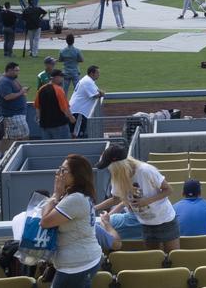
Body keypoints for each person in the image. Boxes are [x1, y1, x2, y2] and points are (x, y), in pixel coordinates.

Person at [95, 145, 179, 251]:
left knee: (172, 255)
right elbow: (116, 199)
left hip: (165, 219)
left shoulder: (145, 170)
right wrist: (94, 208)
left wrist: (146, 201)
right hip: (145, 222)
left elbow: (168, 190)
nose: (108, 170)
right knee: (154, 257)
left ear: (117, 166)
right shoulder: (118, 177)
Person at [39, 154, 103, 288]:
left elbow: (44, 222)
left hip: (77, 264)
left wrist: (56, 194)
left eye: (63, 170)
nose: (58, 173)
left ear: (76, 175)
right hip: (81, 260)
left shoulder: (75, 199)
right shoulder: (75, 196)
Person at [0, 62, 31, 143]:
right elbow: (7, 96)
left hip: (17, 114)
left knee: (21, 136)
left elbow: (17, 91)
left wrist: (23, 91)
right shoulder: (4, 82)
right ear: (9, 70)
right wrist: (21, 92)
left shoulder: (12, 79)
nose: (18, 72)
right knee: (19, 137)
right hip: (12, 115)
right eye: (16, 70)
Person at [36, 69, 74, 140]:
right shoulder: (59, 90)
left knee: (48, 146)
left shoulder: (41, 89)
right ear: (55, 77)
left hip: (45, 125)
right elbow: (65, 108)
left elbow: (37, 107)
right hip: (59, 125)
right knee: (63, 145)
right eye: (61, 77)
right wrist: (71, 118)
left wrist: (39, 119)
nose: (62, 79)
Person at [69, 66, 105, 138]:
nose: (99, 74)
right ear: (92, 73)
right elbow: (96, 95)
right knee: (76, 134)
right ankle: (75, 145)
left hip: (79, 111)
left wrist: (100, 93)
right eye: (97, 73)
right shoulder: (87, 81)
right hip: (79, 111)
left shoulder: (88, 80)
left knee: (77, 132)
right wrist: (101, 93)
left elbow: (97, 91)